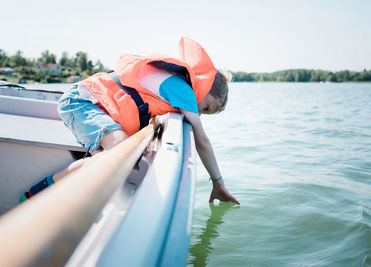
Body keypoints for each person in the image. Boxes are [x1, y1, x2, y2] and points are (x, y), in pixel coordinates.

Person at [20, 37, 240, 205]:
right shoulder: (182, 89)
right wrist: (219, 183)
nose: (199, 114)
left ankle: (38, 193)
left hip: (90, 104)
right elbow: (202, 140)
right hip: (83, 102)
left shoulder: (178, 88)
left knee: (113, 157)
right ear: (204, 86)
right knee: (120, 151)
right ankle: (38, 195)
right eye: (206, 107)